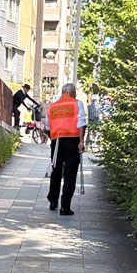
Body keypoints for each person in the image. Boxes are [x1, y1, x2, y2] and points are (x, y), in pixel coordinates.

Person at [45, 83, 87, 216]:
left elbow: (47, 126)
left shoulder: (53, 107)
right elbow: (81, 123)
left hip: (57, 142)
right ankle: (65, 207)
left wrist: (53, 137)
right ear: (73, 93)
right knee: (70, 174)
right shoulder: (77, 104)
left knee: (56, 171)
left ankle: (53, 201)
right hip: (73, 141)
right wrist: (81, 142)